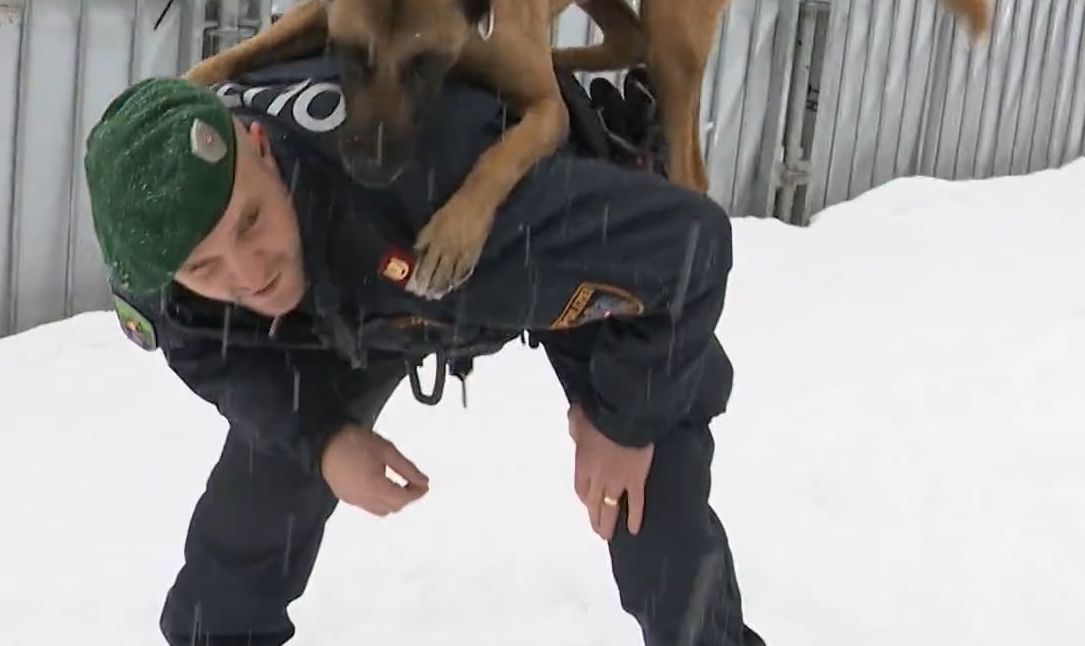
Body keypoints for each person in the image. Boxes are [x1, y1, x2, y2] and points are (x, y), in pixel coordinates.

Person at [83, 51, 763, 646]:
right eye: (205, 268)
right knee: (254, 511)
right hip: (344, 296)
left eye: (250, 221)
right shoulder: (164, 253)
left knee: (653, 521)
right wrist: (322, 437)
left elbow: (690, 247)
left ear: (260, 146)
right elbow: (206, 348)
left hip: (491, 245)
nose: (247, 270)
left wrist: (625, 420)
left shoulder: (439, 181)